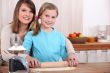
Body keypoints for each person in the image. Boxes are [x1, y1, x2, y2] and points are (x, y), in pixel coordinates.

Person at [23, 2, 78, 68]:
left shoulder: (60, 36)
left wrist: (72, 59)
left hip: (56, 69)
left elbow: (64, 57)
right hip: (38, 69)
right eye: (46, 16)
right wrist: (28, 58)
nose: (49, 20)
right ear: (40, 15)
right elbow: (24, 53)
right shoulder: (31, 34)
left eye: (53, 17)